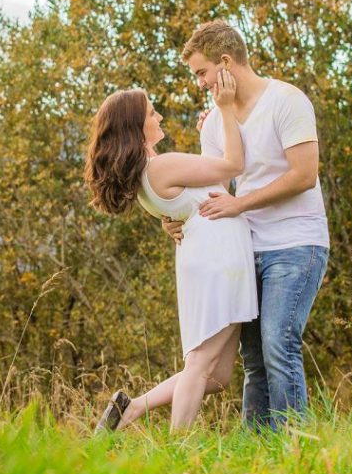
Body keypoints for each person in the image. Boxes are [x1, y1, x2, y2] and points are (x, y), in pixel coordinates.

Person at [164, 20, 330, 432]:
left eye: (201, 72)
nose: (200, 82)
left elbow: (304, 175)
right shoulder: (215, 124)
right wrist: (178, 219)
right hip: (245, 249)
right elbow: (210, 192)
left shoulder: (287, 101)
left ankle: (296, 444)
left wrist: (241, 203)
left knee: (279, 344)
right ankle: (257, 450)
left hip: (297, 243)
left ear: (224, 63)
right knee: (254, 360)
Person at [84, 76, 257, 432]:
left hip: (210, 258)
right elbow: (234, 166)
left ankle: (131, 409)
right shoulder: (162, 167)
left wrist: (213, 134)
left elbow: (212, 187)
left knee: (218, 376)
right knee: (201, 362)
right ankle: (177, 448)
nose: (159, 116)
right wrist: (225, 110)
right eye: (151, 112)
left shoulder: (149, 171)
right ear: (136, 125)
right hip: (218, 261)